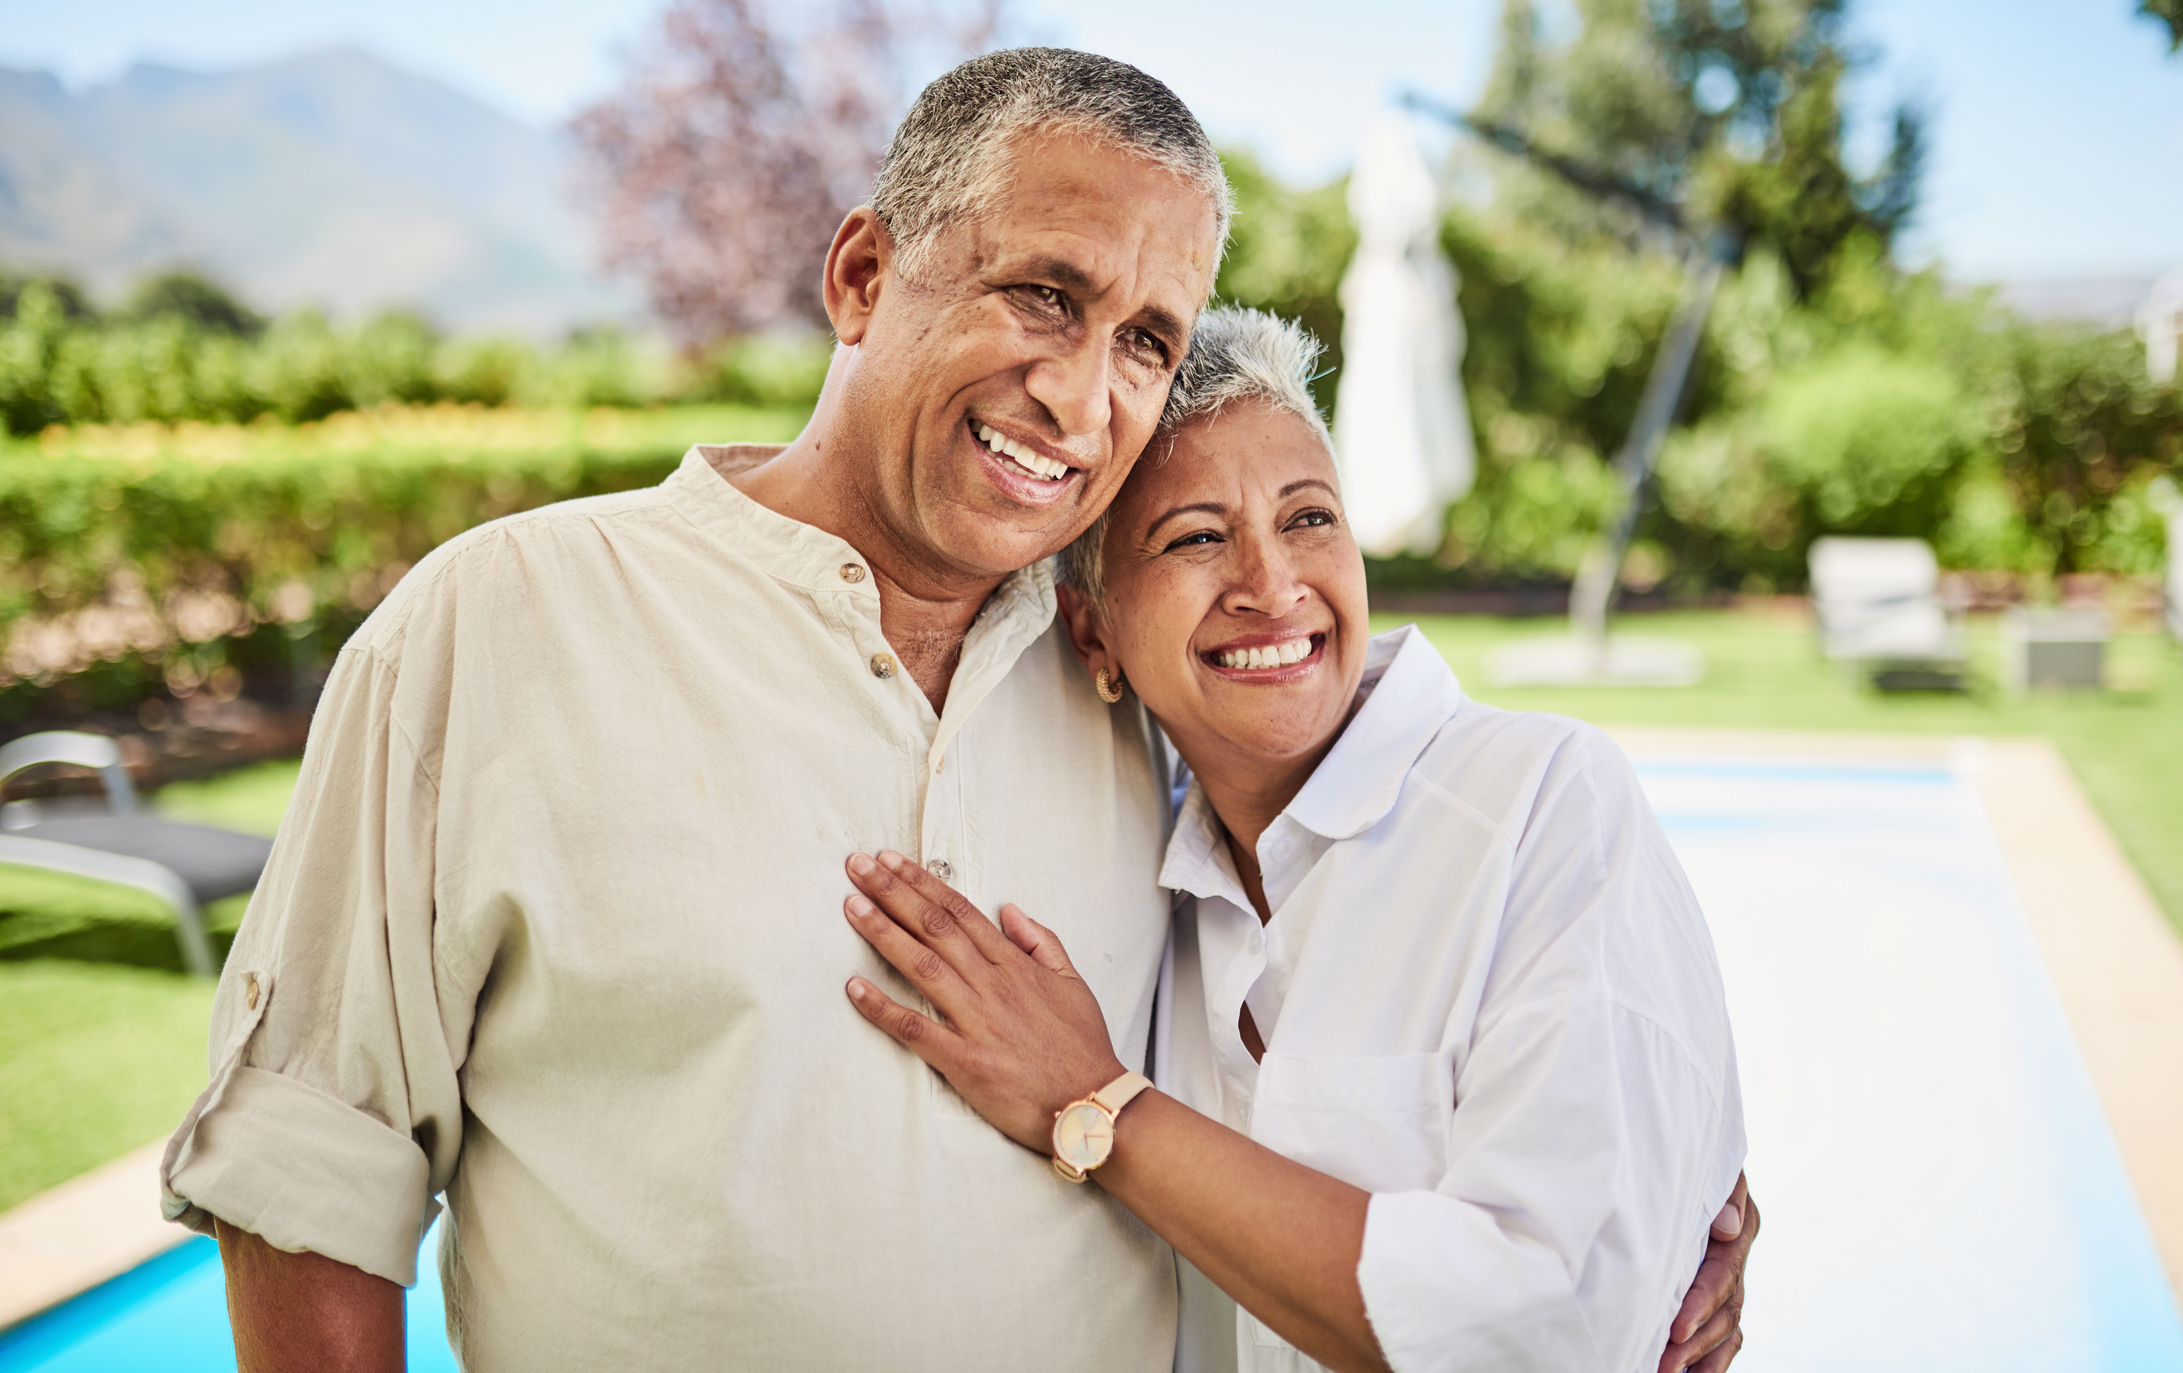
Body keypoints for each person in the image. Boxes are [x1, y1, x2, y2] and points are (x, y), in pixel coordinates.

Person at [159, 48, 1753, 1373]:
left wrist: (1664, 1183)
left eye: (1144, 338)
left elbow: (1381, 965)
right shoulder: (494, 628)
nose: (1082, 396)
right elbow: (310, 1175)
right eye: (1042, 294)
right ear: (862, 274)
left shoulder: (1131, 675)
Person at [838, 307, 1747, 1373]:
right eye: (1194, 536)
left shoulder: (1541, 802)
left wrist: (1096, 1107)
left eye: (1308, 518)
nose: (1272, 586)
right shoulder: (1140, 868)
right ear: (1095, 634)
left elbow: (1545, 1326)